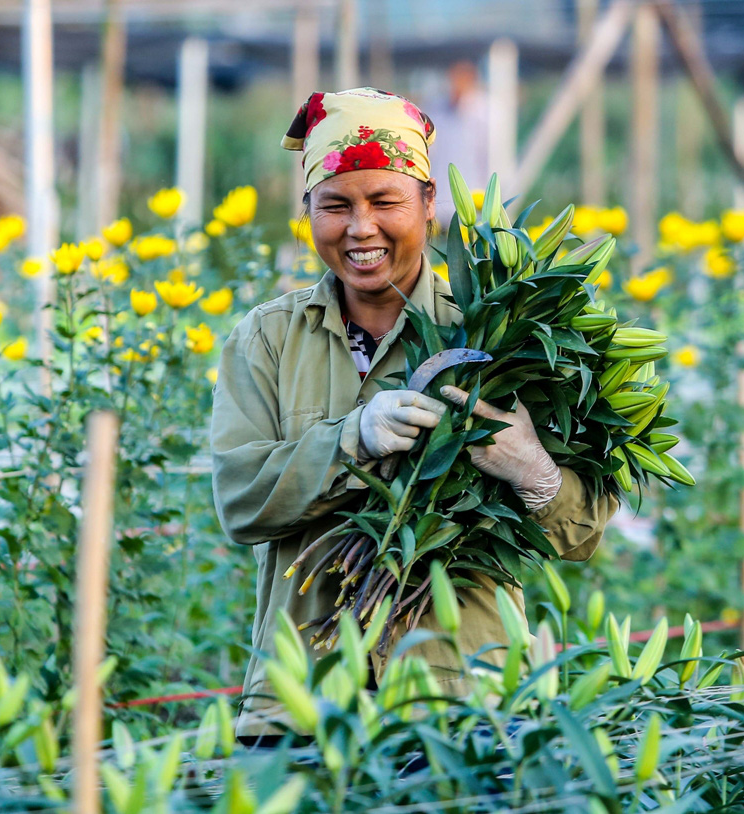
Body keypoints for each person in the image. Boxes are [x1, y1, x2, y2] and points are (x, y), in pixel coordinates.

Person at [210, 87, 618, 742]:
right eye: (336, 204)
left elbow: (586, 530)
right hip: (300, 705)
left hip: (460, 704)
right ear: (307, 211)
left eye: (385, 202)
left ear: (429, 205)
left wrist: (533, 470)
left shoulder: (501, 327)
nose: (360, 228)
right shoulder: (266, 339)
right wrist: (352, 440)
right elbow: (240, 501)